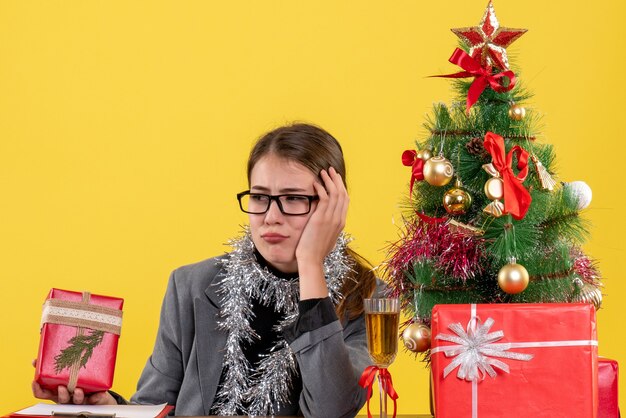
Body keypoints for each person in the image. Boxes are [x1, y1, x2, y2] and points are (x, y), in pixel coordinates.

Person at [33, 123, 379, 417]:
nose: (271, 216)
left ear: (332, 205)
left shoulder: (369, 297)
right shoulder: (193, 285)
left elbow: (333, 408)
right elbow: (154, 405)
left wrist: (311, 264)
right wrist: (106, 405)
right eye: (259, 197)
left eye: (293, 198)